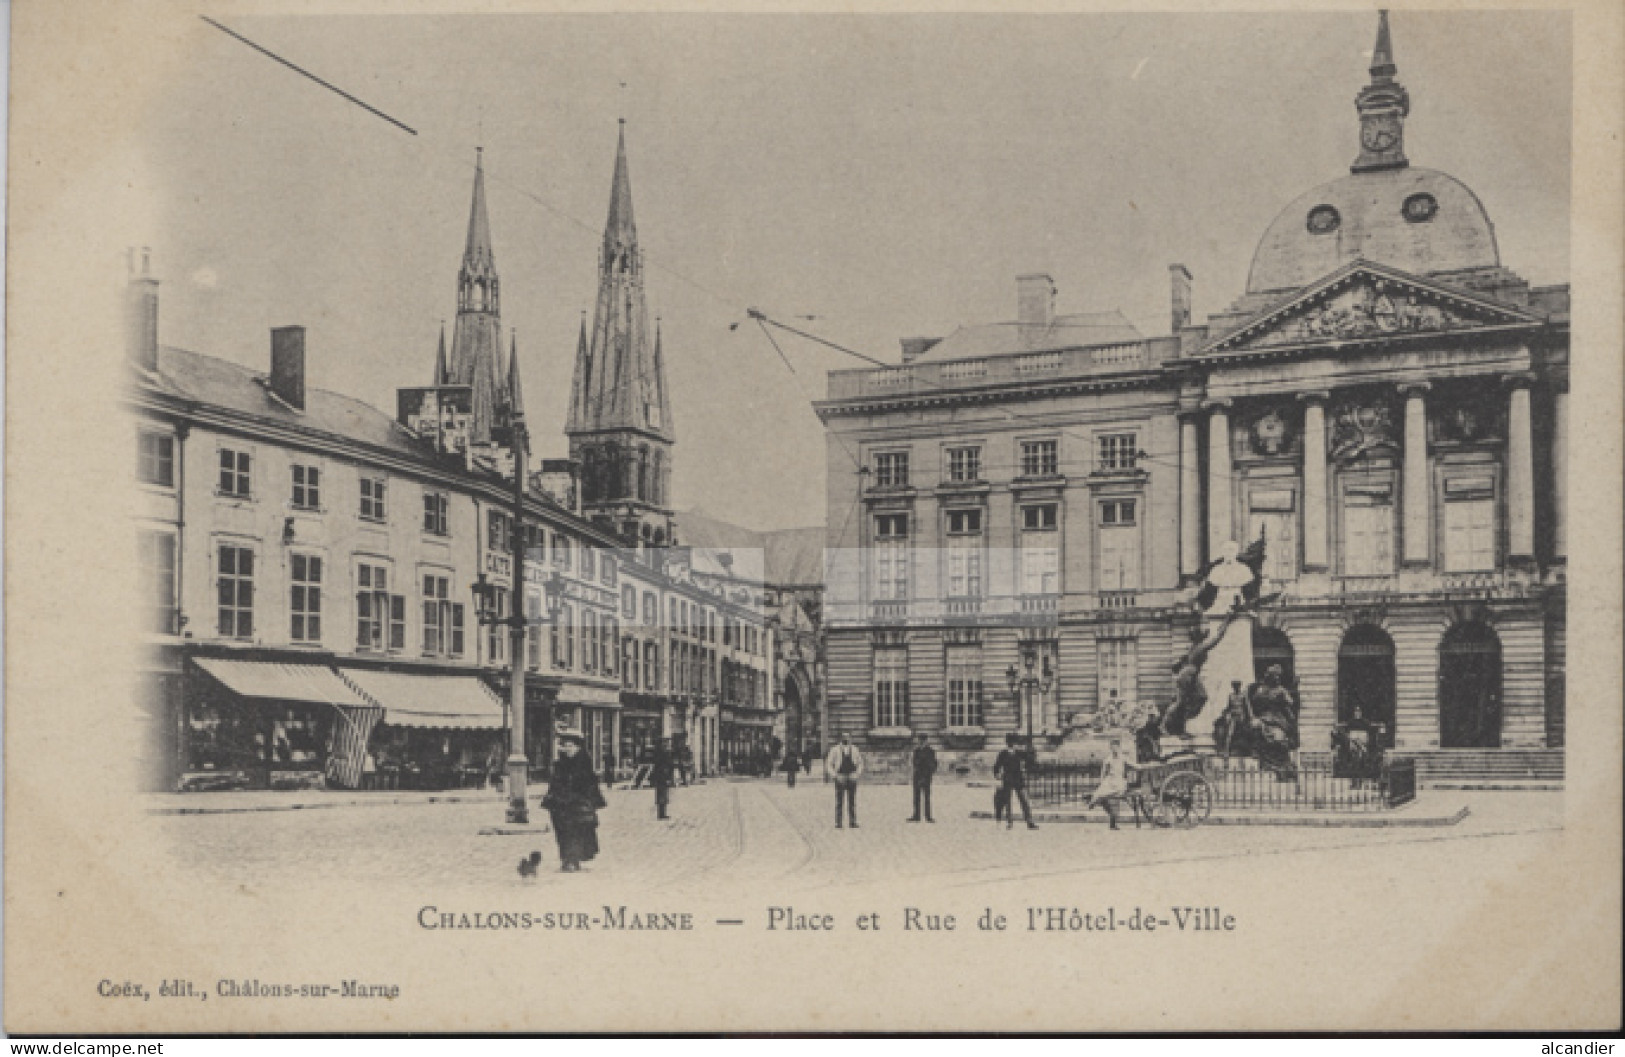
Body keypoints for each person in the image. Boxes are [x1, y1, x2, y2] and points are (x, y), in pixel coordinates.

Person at [541, 730, 605, 873]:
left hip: (577, 805)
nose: (568, 749)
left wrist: (587, 800)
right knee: (562, 833)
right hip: (560, 805)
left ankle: (573, 860)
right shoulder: (559, 764)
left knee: (576, 833)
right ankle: (566, 859)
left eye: (571, 746)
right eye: (566, 746)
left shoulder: (584, 764)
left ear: (578, 747)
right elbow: (554, 783)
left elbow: (590, 785)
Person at [992, 733, 1038, 830]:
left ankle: (1029, 821)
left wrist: (1030, 752)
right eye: (1011, 742)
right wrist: (997, 774)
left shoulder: (1019, 752)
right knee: (1008, 802)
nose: (1012, 744)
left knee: (1024, 800)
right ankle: (1009, 822)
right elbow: (997, 766)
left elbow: (1030, 760)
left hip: (1018, 779)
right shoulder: (1003, 753)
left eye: (1013, 742)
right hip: (1008, 779)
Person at [1085, 739, 1132, 830]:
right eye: (1112, 747)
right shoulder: (1108, 760)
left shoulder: (1123, 758)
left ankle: (1095, 799)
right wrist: (1102, 782)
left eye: (1116, 747)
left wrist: (1144, 766)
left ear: (1119, 748)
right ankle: (1094, 800)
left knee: (1116, 792)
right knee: (1103, 791)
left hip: (1119, 781)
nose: (1114, 749)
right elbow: (1103, 773)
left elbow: (1133, 765)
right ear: (1110, 748)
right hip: (1110, 780)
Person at [825, 734, 863, 829]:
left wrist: (857, 774)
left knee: (852, 801)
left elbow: (860, 763)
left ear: (850, 738)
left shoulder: (854, 749)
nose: (846, 739)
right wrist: (834, 775)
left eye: (848, 737)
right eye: (844, 737)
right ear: (841, 738)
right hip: (840, 776)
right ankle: (838, 822)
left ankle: (852, 821)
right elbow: (829, 763)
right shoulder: (835, 750)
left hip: (851, 776)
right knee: (839, 801)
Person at [907, 733, 937, 823]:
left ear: (926, 741)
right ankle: (916, 815)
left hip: (926, 776)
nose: (921, 742)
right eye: (920, 741)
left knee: (926, 797)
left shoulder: (930, 751)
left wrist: (928, 774)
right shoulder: (916, 751)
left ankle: (928, 816)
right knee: (916, 797)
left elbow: (933, 765)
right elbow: (914, 762)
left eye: (923, 741)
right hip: (917, 776)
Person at [651, 738, 675, 820]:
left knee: (663, 795)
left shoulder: (663, 753)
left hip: (661, 776)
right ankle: (661, 814)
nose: (668, 745)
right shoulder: (663, 753)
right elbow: (665, 765)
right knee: (662, 795)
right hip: (662, 776)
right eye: (666, 743)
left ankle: (662, 813)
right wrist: (667, 777)